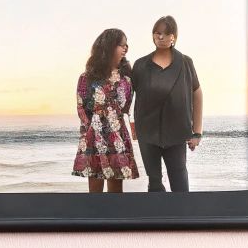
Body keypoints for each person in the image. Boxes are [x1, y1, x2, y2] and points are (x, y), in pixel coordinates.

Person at [130, 15, 203, 192]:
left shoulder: (185, 62)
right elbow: (128, 96)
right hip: (147, 131)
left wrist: (197, 132)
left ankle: (183, 218)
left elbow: (197, 93)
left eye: (166, 33)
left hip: (177, 132)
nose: (161, 37)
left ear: (174, 37)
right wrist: (132, 125)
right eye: (157, 33)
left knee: (179, 181)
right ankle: (156, 218)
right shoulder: (140, 65)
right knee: (154, 181)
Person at [73, 28, 140, 192]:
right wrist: (89, 133)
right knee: (95, 193)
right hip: (94, 135)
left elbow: (128, 107)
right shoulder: (87, 77)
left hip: (117, 134)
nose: (125, 48)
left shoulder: (127, 78)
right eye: (121, 45)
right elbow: (82, 107)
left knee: (116, 193)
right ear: (109, 47)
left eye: (126, 45)